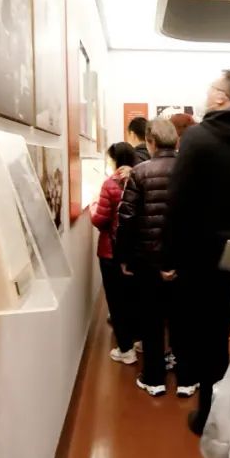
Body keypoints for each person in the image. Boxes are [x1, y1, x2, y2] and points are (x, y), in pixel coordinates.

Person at [164, 70, 230, 432]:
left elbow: (178, 202)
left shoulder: (198, 138)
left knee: (206, 340)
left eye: (210, 89)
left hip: (203, 259)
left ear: (222, 97)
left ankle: (209, 415)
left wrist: (169, 257)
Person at [116, 119, 184, 396]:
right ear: (176, 141)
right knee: (181, 319)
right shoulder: (189, 169)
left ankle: (154, 379)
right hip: (182, 260)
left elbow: (127, 218)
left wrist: (124, 257)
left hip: (148, 260)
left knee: (151, 320)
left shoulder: (140, 172)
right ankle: (186, 379)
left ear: (150, 142)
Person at [90, 142, 138, 363]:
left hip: (111, 252)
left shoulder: (110, 184)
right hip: (137, 251)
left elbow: (100, 220)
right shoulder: (139, 179)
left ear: (114, 160)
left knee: (117, 302)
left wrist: (94, 207)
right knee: (136, 297)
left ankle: (126, 349)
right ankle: (140, 340)